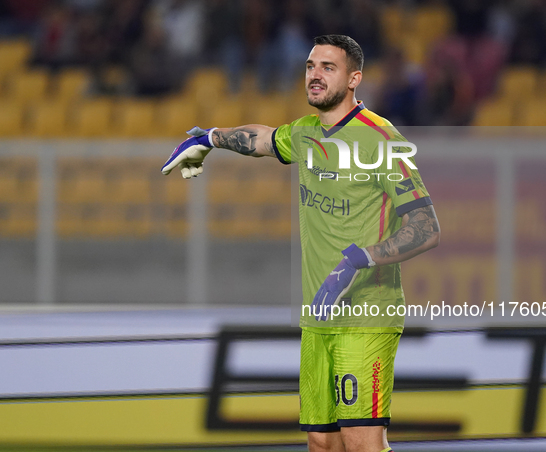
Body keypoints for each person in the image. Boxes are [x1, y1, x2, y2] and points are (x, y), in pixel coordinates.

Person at [161, 35, 440, 452]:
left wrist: (359, 260)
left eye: (329, 67)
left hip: (366, 316)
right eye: (311, 66)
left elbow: (426, 226)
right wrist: (209, 138)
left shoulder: (381, 140)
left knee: (361, 441)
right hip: (318, 316)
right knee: (321, 443)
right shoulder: (306, 133)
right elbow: (262, 140)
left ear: (354, 79)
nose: (315, 74)